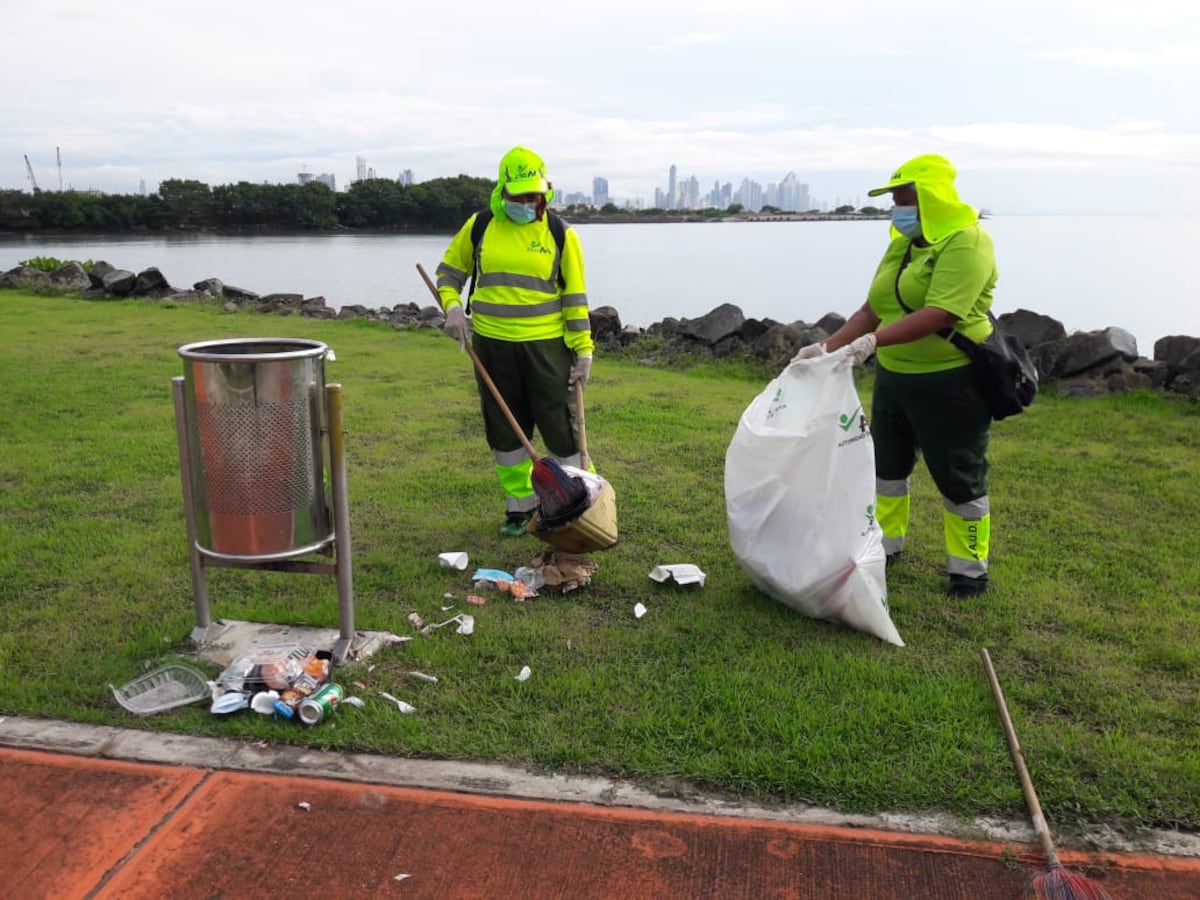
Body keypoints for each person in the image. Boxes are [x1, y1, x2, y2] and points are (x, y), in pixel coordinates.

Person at [796, 154, 996, 598]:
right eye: (895, 201)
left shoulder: (968, 242)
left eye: (904, 199)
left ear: (932, 198)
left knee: (959, 476)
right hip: (895, 379)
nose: (897, 209)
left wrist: (871, 343)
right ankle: (886, 546)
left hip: (950, 381)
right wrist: (827, 349)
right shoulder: (902, 246)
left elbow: (940, 313)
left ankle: (968, 571)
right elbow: (871, 309)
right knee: (886, 468)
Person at [435, 146, 594, 537]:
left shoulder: (560, 233)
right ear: (502, 190)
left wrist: (584, 350)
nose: (526, 204)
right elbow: (448, 274)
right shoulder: (480, 226)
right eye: (518, 196)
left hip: (547, 348)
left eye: (533, 196)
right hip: (492, 347)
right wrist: (452, 307)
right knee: (505, 430)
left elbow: (575, 297)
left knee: (561, 430)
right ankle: (520, 509)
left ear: (545, 191)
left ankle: (582, 504)